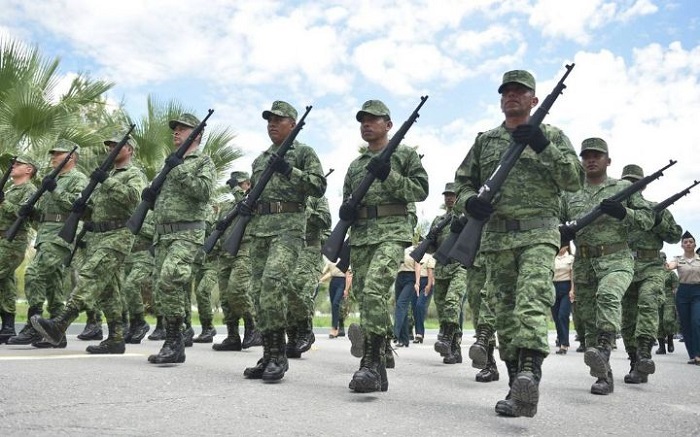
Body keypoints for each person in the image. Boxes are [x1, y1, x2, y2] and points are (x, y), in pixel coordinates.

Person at [454, 70, 583, 417]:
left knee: (532, 299)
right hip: (496, 238)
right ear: (501, 100)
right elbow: (463, 183)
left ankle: (530, 372)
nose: (512, 95)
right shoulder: (486, 141)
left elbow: (575, 180)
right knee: (506, 315)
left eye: (520, 91)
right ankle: (517, 388)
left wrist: (543, 146)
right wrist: (469, 203)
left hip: (539, 233)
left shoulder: (552, 136)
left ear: (534, 100)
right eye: (506, 91)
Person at [31, 132, 147, 353]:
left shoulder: (133, 174)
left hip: (119, 234)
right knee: (108, 291)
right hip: (98, 235)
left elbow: (134, 199)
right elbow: (94, 210)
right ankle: (116, 338)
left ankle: (60, 324)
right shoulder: (106, 175)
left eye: (116, 145)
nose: (111, 149)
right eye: (109, 145)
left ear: (130, 150)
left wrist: (106, 181)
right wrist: (81, 209)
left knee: (90, 275)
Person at [343, 99, 429, 393]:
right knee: (366, 298)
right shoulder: (356, 165)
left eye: (373, 119)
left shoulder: (404, 155)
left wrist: (388, 175)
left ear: (389, 125)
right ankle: (379, 366)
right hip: (361, 237)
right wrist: (347, 210)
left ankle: (369, 362)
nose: (366, 124)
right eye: (362, 120)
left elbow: (420, 190)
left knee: (374, 290)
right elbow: (348, 199)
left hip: (392, 233)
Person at [560, 138, 654, 395]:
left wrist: (625, 213)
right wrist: (563, 232)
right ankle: (603, 375)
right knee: (588, 321)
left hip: (616, 259)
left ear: (608, 161)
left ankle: (604, 347)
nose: (591, 160)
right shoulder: (570, 193)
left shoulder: (624, 188)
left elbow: (648, 219)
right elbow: (556, 222)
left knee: (608, 295)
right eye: (586, 156)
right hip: (584, 263)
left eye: (597, 155)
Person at [242, 101, 326, 381]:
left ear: (293, 124)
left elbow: (318, 185)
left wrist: (290, 170)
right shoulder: (260, 160)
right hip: (260, 230)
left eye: (278, 120)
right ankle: (268, 353)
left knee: (272, 283)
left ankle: (279, 355)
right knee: (256, 291)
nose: (272, 124)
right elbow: (255, 195)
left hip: (288, 230)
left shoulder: (303, 153)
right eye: (269, 120)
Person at [144, 113, 216, 364]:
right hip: (163, 234)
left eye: (182, 129)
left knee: (170, 277)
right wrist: (150, 197)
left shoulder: (203, 161)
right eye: (175, 128)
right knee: (161, 287)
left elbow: (204, 192)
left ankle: (174, 342)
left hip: (187, 232)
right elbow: (163, 201)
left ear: (197, 135)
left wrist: (179, 169)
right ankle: (175, 337)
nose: (176, 132)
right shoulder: (169, 163)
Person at [8, 140, 88, 348]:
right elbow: (45, 214)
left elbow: (78, 206)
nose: (53, 156)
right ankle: (56, 335)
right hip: (45, 235)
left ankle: (33, 325)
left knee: (34, 273)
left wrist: (55, 190)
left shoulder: (77, 178)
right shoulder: (52, 179)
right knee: (54, 285)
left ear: (71, 157)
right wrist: (31, 212)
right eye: (53, 153)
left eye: (58, 153)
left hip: (61, 236)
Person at [618, 164, 682, 384]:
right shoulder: (616, 211)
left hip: (652, 266)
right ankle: (635, 362)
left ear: (644, 185)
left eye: (635, 181)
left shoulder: (656, 208)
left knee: (648, 303)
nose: (631, 185)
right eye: (627, 181)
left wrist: (657, 221)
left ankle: (645, 354)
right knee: (627, 319)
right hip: (624, 266)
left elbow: (675, 235)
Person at [212, 171, 260, 351]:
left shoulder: (253, 202)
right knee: (225, 297)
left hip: (245, 251)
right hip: (226, 254)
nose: (237, 189)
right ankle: (232, 336)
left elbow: (245, 204)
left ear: (248, 184)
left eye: (240, 185)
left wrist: (236, 190)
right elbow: (218, 229)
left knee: (237, 289)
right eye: (235, 186)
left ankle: (252, 326)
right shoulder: (226, 207)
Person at [286, 194, 331, 358]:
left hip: (310, 251)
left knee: (302, 292)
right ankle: (292, 338)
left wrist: (306, 209)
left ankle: (305, 331)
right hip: (288, 250)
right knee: (286, 291)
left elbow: (326, 222)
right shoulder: (285, 195)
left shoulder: (317, 197)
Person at [0, 156, 38, 344]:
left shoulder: (30, 190)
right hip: (2, 239)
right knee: (5, 283)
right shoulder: (10, 190)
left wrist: (3, 202)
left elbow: (23, 213)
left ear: (29, 170)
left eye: (18, 164)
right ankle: (8, 327)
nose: (13, 166)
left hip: (14, 240)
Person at [430, 182, 468, 364]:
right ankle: (453, 347)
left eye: (452, 195)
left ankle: (447, 339)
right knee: (442, 308)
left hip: (460, 266)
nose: (449, 198)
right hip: (441, 268)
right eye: (446, 195)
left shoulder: (466, 218)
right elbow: (432, 248)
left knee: (452, 302)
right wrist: (429, 240)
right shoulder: (438, 221)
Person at [664, 231, 700, 365]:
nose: (688, 244)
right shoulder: (678, 259)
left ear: (695, 244)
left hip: (698, 292)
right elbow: (670, 266)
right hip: (683, 293)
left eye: (691, 241)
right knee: (686, 324)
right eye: (685, 242)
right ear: (682, 245)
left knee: (696, 321)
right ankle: (693, 355)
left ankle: (698, 354)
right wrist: (665, 265)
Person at [393, 244, 423, 348]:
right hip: (399, 277)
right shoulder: (399, 248)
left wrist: (417, 283)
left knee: (401, 304)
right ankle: (404, 339)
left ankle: (394, 332)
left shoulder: (415, 248)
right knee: (402, 308)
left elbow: (417, 265)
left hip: (410, 278)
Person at [320, 261, 351, 339]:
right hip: (333, 282)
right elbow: (327, 272)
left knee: (335, 303)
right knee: (334, 306)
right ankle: (338, 327)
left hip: (342, 282)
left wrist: (346, 289)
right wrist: (320, 280)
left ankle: (334, 328)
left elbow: (349, 275)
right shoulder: (331, 260)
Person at [552, 245, 574, 354]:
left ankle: (564, 344)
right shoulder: (552, 257)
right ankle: (560, 340)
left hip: (566, 287)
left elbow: (573, 275)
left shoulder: (570, 258)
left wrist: (572, 290)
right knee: (556, 317)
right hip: (553, 287)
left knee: (563, 315)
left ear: (566, 246)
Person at [656, 251, 679, 354]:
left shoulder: (671, 273)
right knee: (658, 323)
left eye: (663, 258)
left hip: (669, 299)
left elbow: (676, 288)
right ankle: (661, 347)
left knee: (668, 319)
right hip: (656, 299)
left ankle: (670, 340)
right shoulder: (654, 272)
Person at [413, 251, 434, 344]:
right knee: (415, 308)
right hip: (415, 282)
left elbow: (430, 272)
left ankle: (420, 334)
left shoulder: (429, 256)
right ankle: (417, 333)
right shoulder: (415, 255)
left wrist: (429, 285)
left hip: (426, 282)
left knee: (419, 305)